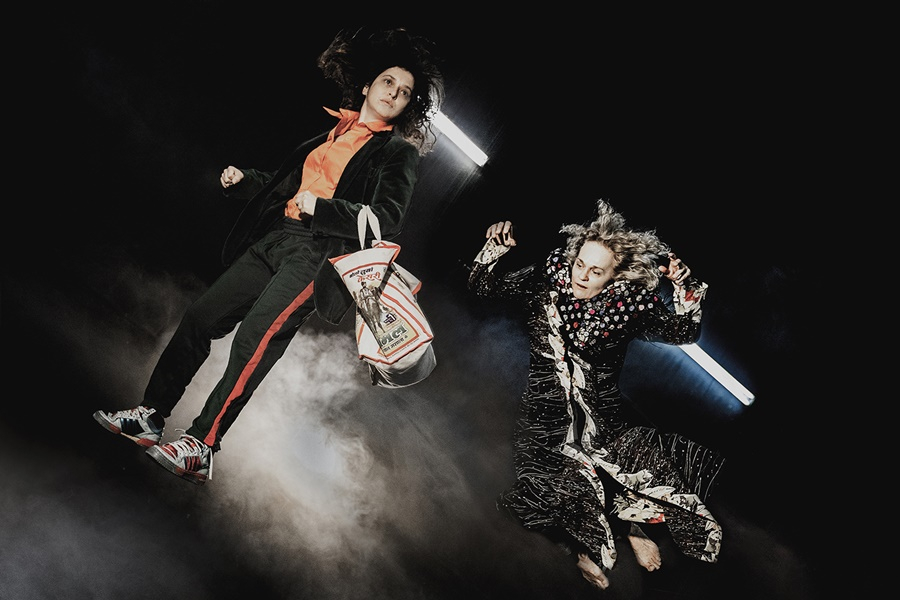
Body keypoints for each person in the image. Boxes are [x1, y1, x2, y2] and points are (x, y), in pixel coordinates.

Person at [92, 27, 445, 485]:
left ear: (406, 105)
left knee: (254, 340)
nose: (394, 93)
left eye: (404, 92)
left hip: (317, 255)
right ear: (366, 86)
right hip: (277, 238)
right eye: (388, 82)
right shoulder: (331, 134)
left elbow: (387, 218)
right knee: (201, 317)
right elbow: (287, 188)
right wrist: (244, 181)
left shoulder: (397, 153)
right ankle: (150, 416)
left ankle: (201, 444)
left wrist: (326, 210)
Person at [467, 200, 725, 590]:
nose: (582, 277)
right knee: (543, 486)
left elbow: (683, 332)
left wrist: (684, 287)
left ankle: (632, 528)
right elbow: (483, 287)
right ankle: (582, 550)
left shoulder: (628, 305)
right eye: (580, 265)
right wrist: (495, 249)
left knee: (624, 471)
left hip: (601, 414)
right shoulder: (549, 278)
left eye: (596, 272)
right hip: (546, 409)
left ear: (614, 277)